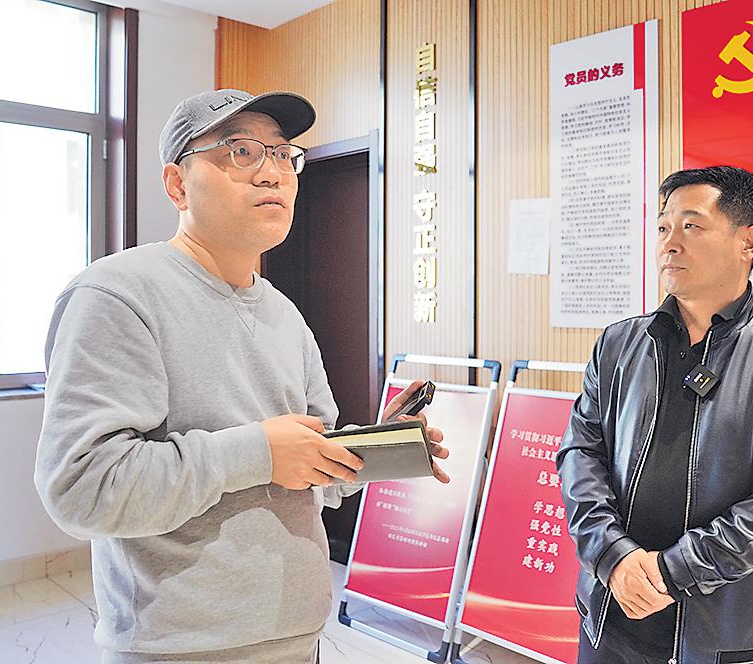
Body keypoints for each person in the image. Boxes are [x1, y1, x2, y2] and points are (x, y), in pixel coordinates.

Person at [34, 89, 449, 664]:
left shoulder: (283, 313)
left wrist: (381, 448)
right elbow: (83, 489)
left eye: (282, 154)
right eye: (241, 151)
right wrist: (258, 452)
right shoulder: (116, 295)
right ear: (177, 184)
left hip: (298, 636)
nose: (272, 173)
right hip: (180, 648)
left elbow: (312, 471)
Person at [556, 166, 753, 664]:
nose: (669, 244)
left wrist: (672, 572)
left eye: (691, 226)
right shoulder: (619, 344)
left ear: (747, 242)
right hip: (611, 614)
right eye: (663, 227)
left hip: (727, 633)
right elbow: (580, 455)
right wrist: (612, 555)